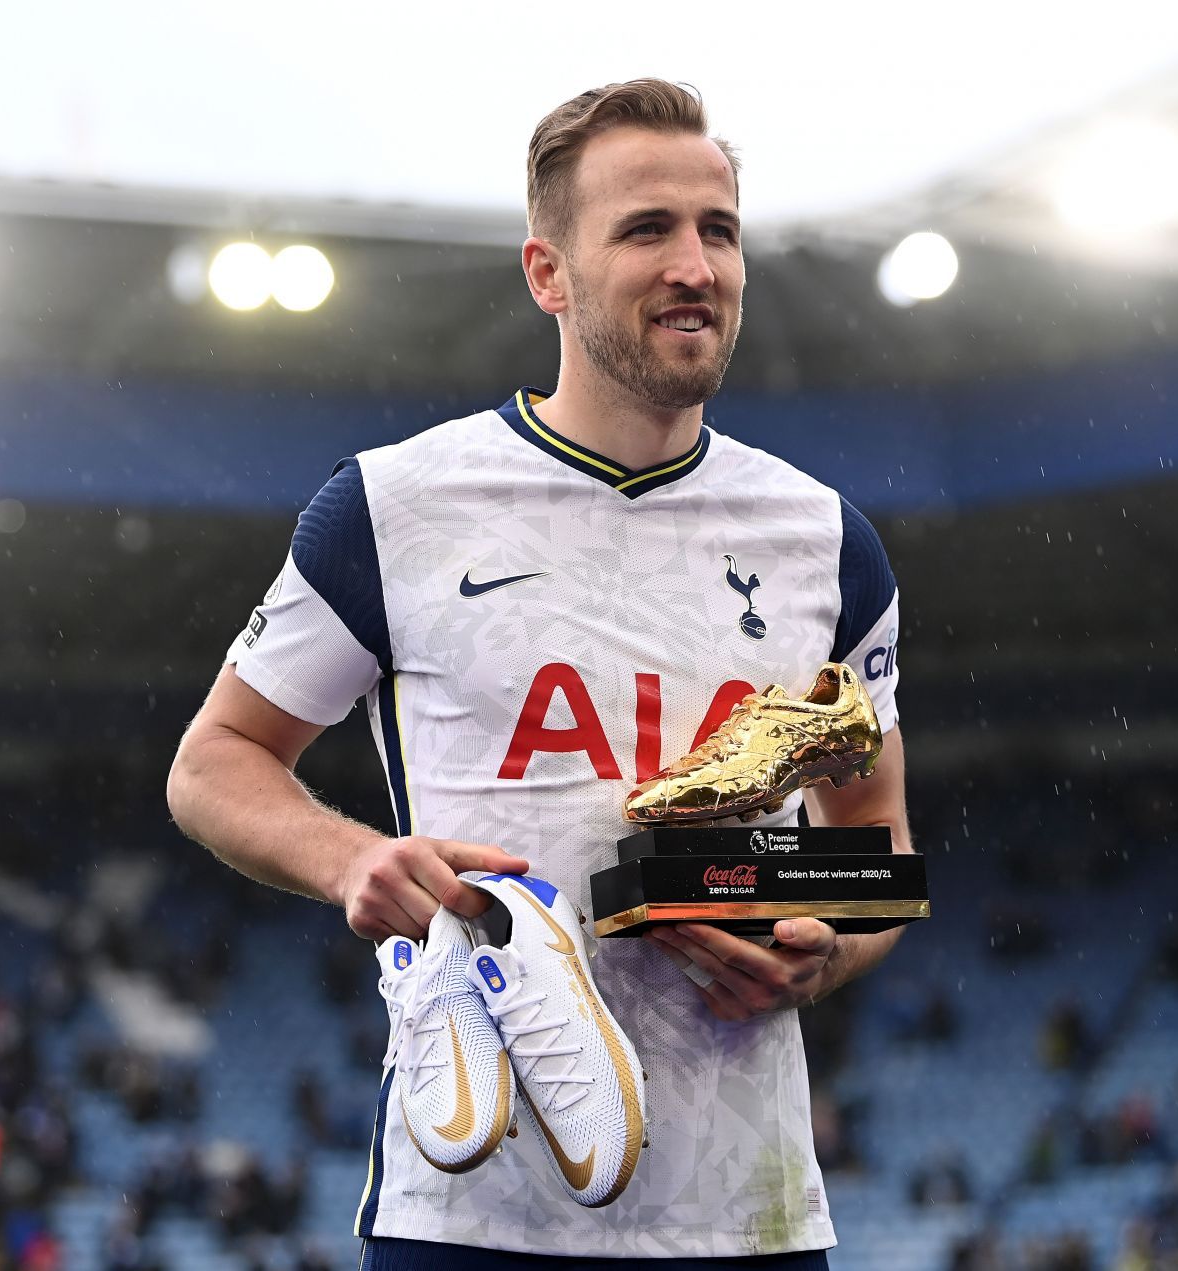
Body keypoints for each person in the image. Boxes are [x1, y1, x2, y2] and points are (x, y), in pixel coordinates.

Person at [168, 78, 913, 1268]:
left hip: (750, 1220)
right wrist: (356, 857)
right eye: (646, 229)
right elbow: (214, 759)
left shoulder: (830, 542)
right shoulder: (391, 506)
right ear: (547, 273)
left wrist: (830, 949)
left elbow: (874, 842)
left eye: (719, 231)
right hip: (470, 1210)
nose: (696, 264)